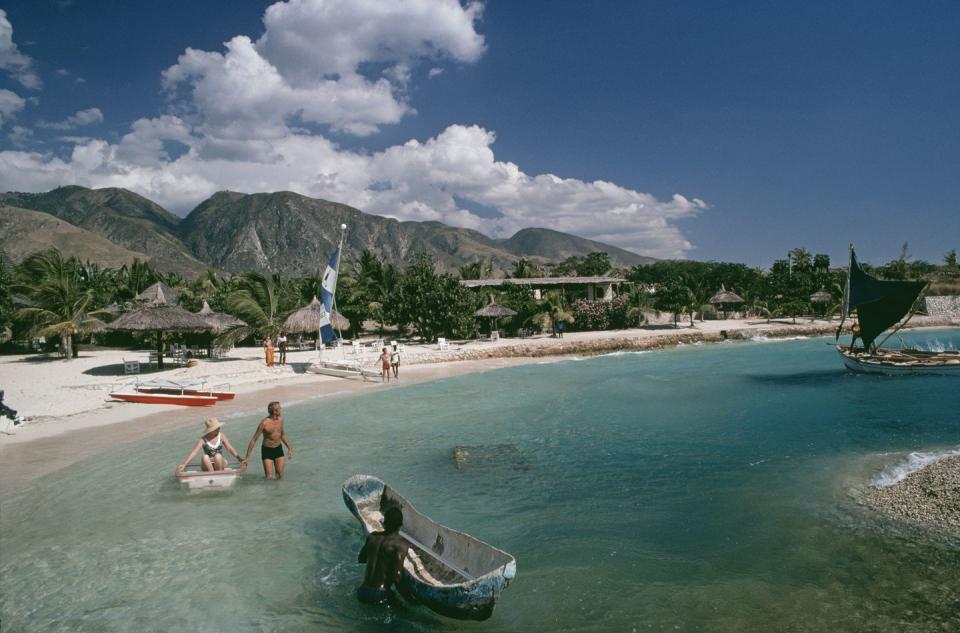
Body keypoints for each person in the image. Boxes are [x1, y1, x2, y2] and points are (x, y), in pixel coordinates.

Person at [356, 506, 412, 608]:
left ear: (384, 522)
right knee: (405, 612)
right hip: (381, 594)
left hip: (362, 592)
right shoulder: (401, 544)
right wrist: (409, 598)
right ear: (401, 525)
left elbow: (361, 559)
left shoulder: (372, 537)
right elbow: (397, 576)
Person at [244, 401, 294, 479]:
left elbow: (282, 435)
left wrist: (289, 448)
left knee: (279, 475)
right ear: (275, 411)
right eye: (279, 408)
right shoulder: (264, 423)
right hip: (267, 451)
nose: (281, 409)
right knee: (269, 477)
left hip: (278, 449)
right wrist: (247, 457)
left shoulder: (281, 420)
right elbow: (254, 439)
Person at [177, 417, 246, 473]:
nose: (219, 428)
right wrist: (184, 464)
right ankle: (212, 474)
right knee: (205, 457)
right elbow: (194, 452)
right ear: (211, 430)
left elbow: (230, 449)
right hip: (208, 465)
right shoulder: (203, 440)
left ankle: (219, 474)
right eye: (217, 428)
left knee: (218, 456)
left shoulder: (221, 436)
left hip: (219, 462)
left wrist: (240, 459)